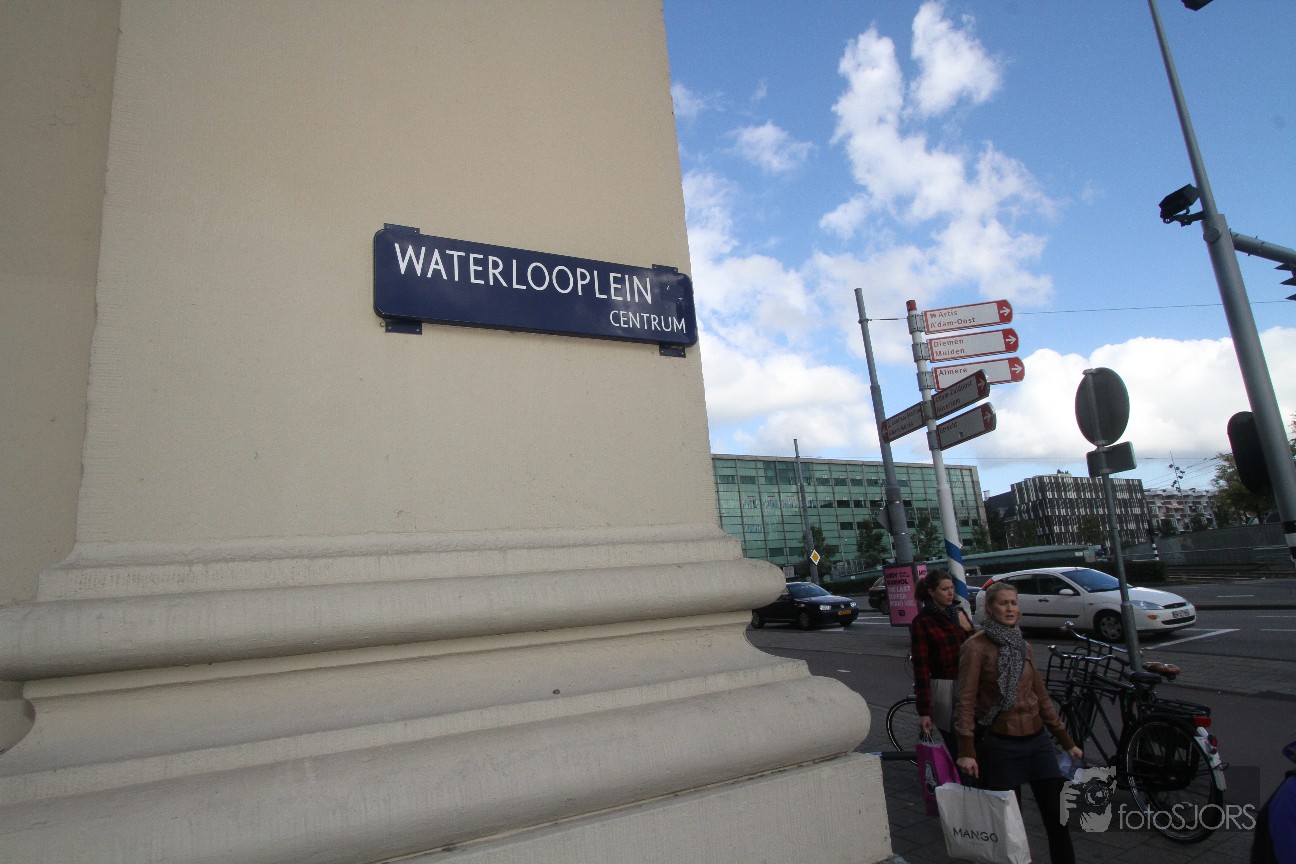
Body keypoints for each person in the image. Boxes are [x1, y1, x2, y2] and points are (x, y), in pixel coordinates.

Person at [955, 581, 1084, 864]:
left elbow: (1040, 695)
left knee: (1057, 818)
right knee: (1012, 826)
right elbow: (965, 700)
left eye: (1014, 603)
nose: (1010, 608)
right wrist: (966, 749)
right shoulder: (975, 647)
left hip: (1038, 742)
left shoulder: (1022, 645)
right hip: (1002, 744)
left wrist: (1065, 740)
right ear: (990, 609)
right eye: (1003, 603)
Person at [909, 568, 974, 742]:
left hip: (969, 681)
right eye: (945, 589)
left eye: (951, 588)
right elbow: (921, 668)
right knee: (956, 740)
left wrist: (968, 628)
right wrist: (924, 712)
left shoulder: (958, 613)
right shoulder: (922, 622)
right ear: (932, 591)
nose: (950, 593)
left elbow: (975, 648)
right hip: (944, 685)